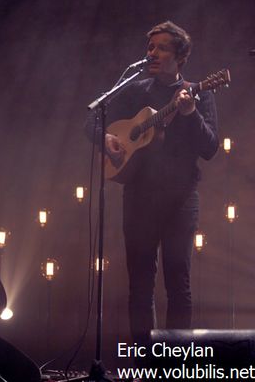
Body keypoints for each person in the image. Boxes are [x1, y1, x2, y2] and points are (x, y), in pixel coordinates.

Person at [85, 21, 219, 352]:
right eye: (150, 47)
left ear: (181, 56)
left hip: (181, 199)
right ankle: (145, 362)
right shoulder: (134, 89)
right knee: (140, 286)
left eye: (161, 48)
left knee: (178, 282)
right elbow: (92, 120)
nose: (152, 53)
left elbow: (210, 148)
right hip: (138, 197)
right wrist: (108, 138)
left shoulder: (200, 93)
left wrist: (190, 114)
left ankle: (175, 364)